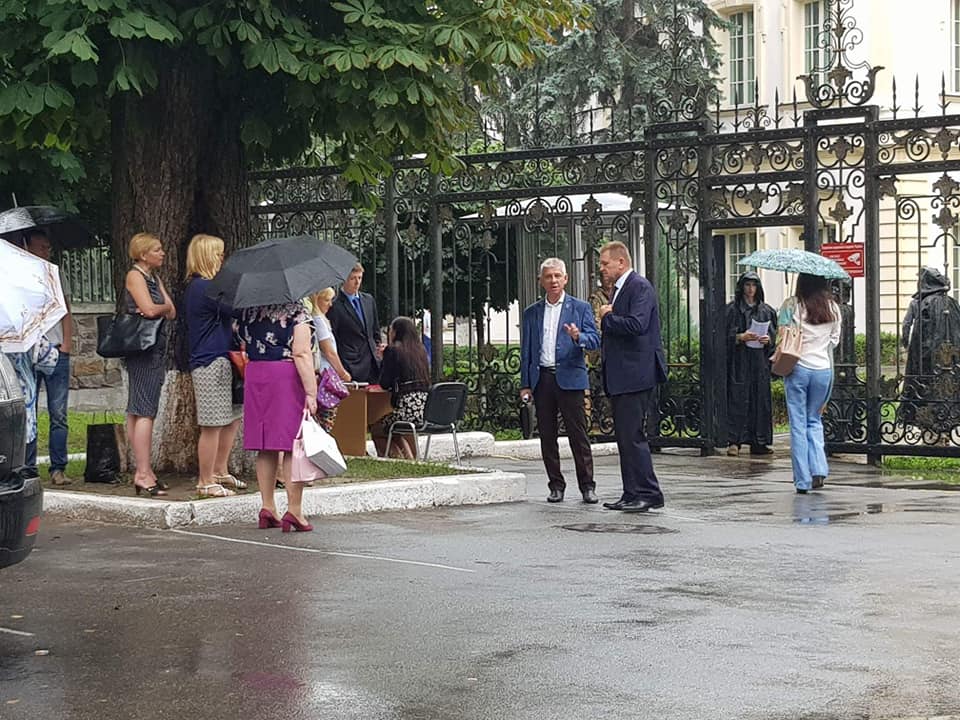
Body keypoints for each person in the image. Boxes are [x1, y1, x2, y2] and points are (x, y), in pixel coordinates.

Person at [519, 257, 600, 504]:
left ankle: (587, 486)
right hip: (543, 379)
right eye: (548, 276)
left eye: (557, 276)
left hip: (570, 379)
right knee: (547, 435)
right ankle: (555, 485)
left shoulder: (580, 308)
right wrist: (525, 384)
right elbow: (527, 351)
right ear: (541, 281)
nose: (553, 280)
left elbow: (594, 340)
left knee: (578, 435)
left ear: (566, 279)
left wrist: (578, 336)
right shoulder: (532, 313)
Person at [596, 241, 667, 513]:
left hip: (636, 374)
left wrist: (607, 318)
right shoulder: (619, 289)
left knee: (634, 435)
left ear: (621, 262)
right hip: (622, 375)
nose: (602, 269)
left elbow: (637, 324)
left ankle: (649, 493)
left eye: (605, 264)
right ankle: (631, 492)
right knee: (625, 438)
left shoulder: (639, 287)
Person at [236, 300, 317, 532]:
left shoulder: (250, 310)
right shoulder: (297, 312)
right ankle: (295, 510)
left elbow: (241, 339)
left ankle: (268, 506)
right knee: (292, 444)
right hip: (285, 376)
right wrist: (311, 391)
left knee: (266, 445)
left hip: (256, 374)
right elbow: (301, 353)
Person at [183, 234, 245, 498]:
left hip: (223, 358)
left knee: (231, 418)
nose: (222, 259)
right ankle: (205, 480)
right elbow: (236, 309)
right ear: (207, 256)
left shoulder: (208, 287)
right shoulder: (203, 287)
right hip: (210, 361)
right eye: (218, 254)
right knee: (212, 424)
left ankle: (220, 469)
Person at [778, 272, 841, 494]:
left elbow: (781, 335)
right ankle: (819, 470)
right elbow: (834, 341)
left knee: (798, 423)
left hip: (798, 367)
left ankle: (802, 480)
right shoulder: (833, 308)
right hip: (823, 370)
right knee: (814, 420)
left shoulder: (792, 305)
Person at [123, 233, 176, 497]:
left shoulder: (153, 278)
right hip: (143, 351)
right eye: (157, 249)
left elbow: (170, 310)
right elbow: (151, 309)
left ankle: (145, 470)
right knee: (145, 411)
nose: (162, 253)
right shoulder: (135, 276)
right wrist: (159, 307)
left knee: (139, 410)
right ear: (143, 254)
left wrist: (159, 307)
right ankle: (143, 473)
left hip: (153, 348)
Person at [23, 229, 74, 485]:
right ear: (28, 248)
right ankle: (28, 467)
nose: (46, 252)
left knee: (58, 413)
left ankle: (58, 467)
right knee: (27, 411)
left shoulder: (54, 274)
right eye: (41, 247)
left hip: (55, 348)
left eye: (48, 247)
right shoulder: (19, 276)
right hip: (28, 350)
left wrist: (66, 343)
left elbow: (65, 310)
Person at [900, 267, 960, 436]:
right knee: (946, 387)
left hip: (924, 357)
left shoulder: (920, 302)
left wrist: (907, 345)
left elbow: (909, 327)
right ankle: (947, 423)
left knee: (924, 388)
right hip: (948, 356)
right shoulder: (951, 302)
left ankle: (927, 427)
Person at [724, 271, 777, 456]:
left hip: (759, 362)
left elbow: (774, 337)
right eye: (747, 285)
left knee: (760, 400)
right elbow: (722, 336)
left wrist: (768, 340)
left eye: (754, 285)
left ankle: (759, 441)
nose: (750, 289)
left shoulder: (767, 311)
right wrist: (739, 337)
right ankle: (734, 441)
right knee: (737, 399)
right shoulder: (731, 310)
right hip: (739, 362)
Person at [370, 317, 430, 458]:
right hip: (424, 409)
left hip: (406, 409)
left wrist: (384, 358)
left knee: (377, 429)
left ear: (396, 332)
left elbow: (385, 383)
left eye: (390, 331)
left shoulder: (393, 350)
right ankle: (410, 459)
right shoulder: (420, 350)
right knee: (394, 430)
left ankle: (397, 459)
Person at [327, 263, 383, 383]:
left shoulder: (368, 300)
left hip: (373, 362)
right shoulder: (335, 306)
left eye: (360, 278)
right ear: (344, 279)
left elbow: (375, 330)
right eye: (353, 278)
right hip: (351, 364)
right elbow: (334, 337)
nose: (357, 282)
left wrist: (378, 350)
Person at [308, 287, 352, 432]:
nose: (330, 304)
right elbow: (329, 352)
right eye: (327, 300)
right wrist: (342, 372)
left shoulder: (321, 320)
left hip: (324, 374)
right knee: (326, 418)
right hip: (325, 376)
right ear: (317, 300)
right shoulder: (318, 320)